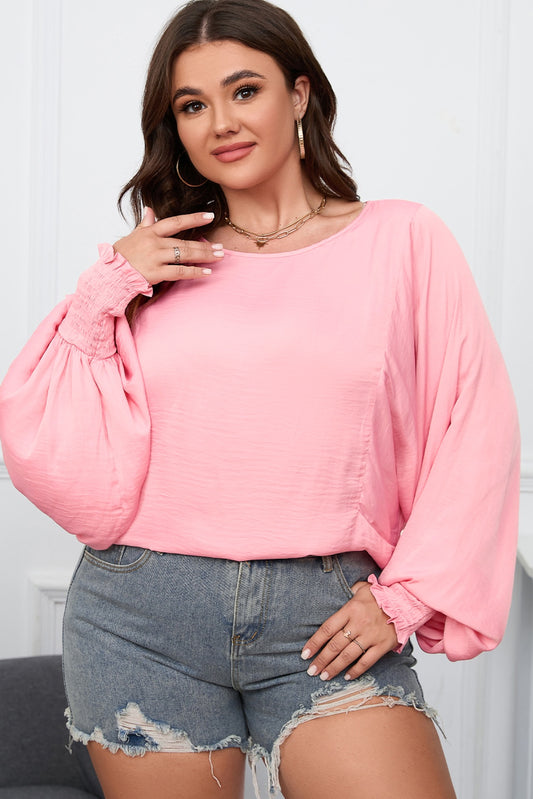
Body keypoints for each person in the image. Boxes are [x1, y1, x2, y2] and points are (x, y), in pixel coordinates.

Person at [0, 0, 520, 797]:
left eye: (244, 90)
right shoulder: (156, 264)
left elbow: (474, 427)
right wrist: (105, 289)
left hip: (324, 614)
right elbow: (48, 447)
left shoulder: (403, 239)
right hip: (140, 615)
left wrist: (407, 597)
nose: (221, 123)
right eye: (192, 105)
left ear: (299, 94)